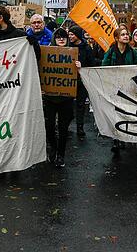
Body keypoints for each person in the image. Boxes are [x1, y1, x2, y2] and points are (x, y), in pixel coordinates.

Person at [101, 25, 137, 173]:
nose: (126, 36)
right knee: (117, 115)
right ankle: (116, 139)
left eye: (127, 34)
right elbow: (104, 67)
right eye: (123, 34)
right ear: (117, 38)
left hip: (131, 92)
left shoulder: (132, 53)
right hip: (116, 91)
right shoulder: (110, 52)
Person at [43, 28, 78, 168]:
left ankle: (61, 155)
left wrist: (79, 67)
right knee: (49, 126)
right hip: (50, 98)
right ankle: (52, 147)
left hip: (66, 99)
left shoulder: (74, 53)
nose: (61, 39)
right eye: (58, 37)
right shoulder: (46, 53)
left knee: (63, 128)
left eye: (63, 37)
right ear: (54, 39)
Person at [68, 25, 94, 140]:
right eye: (69, 34)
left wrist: (82, 66)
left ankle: (80, 127)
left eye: (72, 34)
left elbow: (92, 63)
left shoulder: (86, 48)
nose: (70, 36)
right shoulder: (67, 46)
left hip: (81, 80)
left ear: (77, 35)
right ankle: (66, 126)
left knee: (80, 104)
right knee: (67, 105)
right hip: (68, 80)